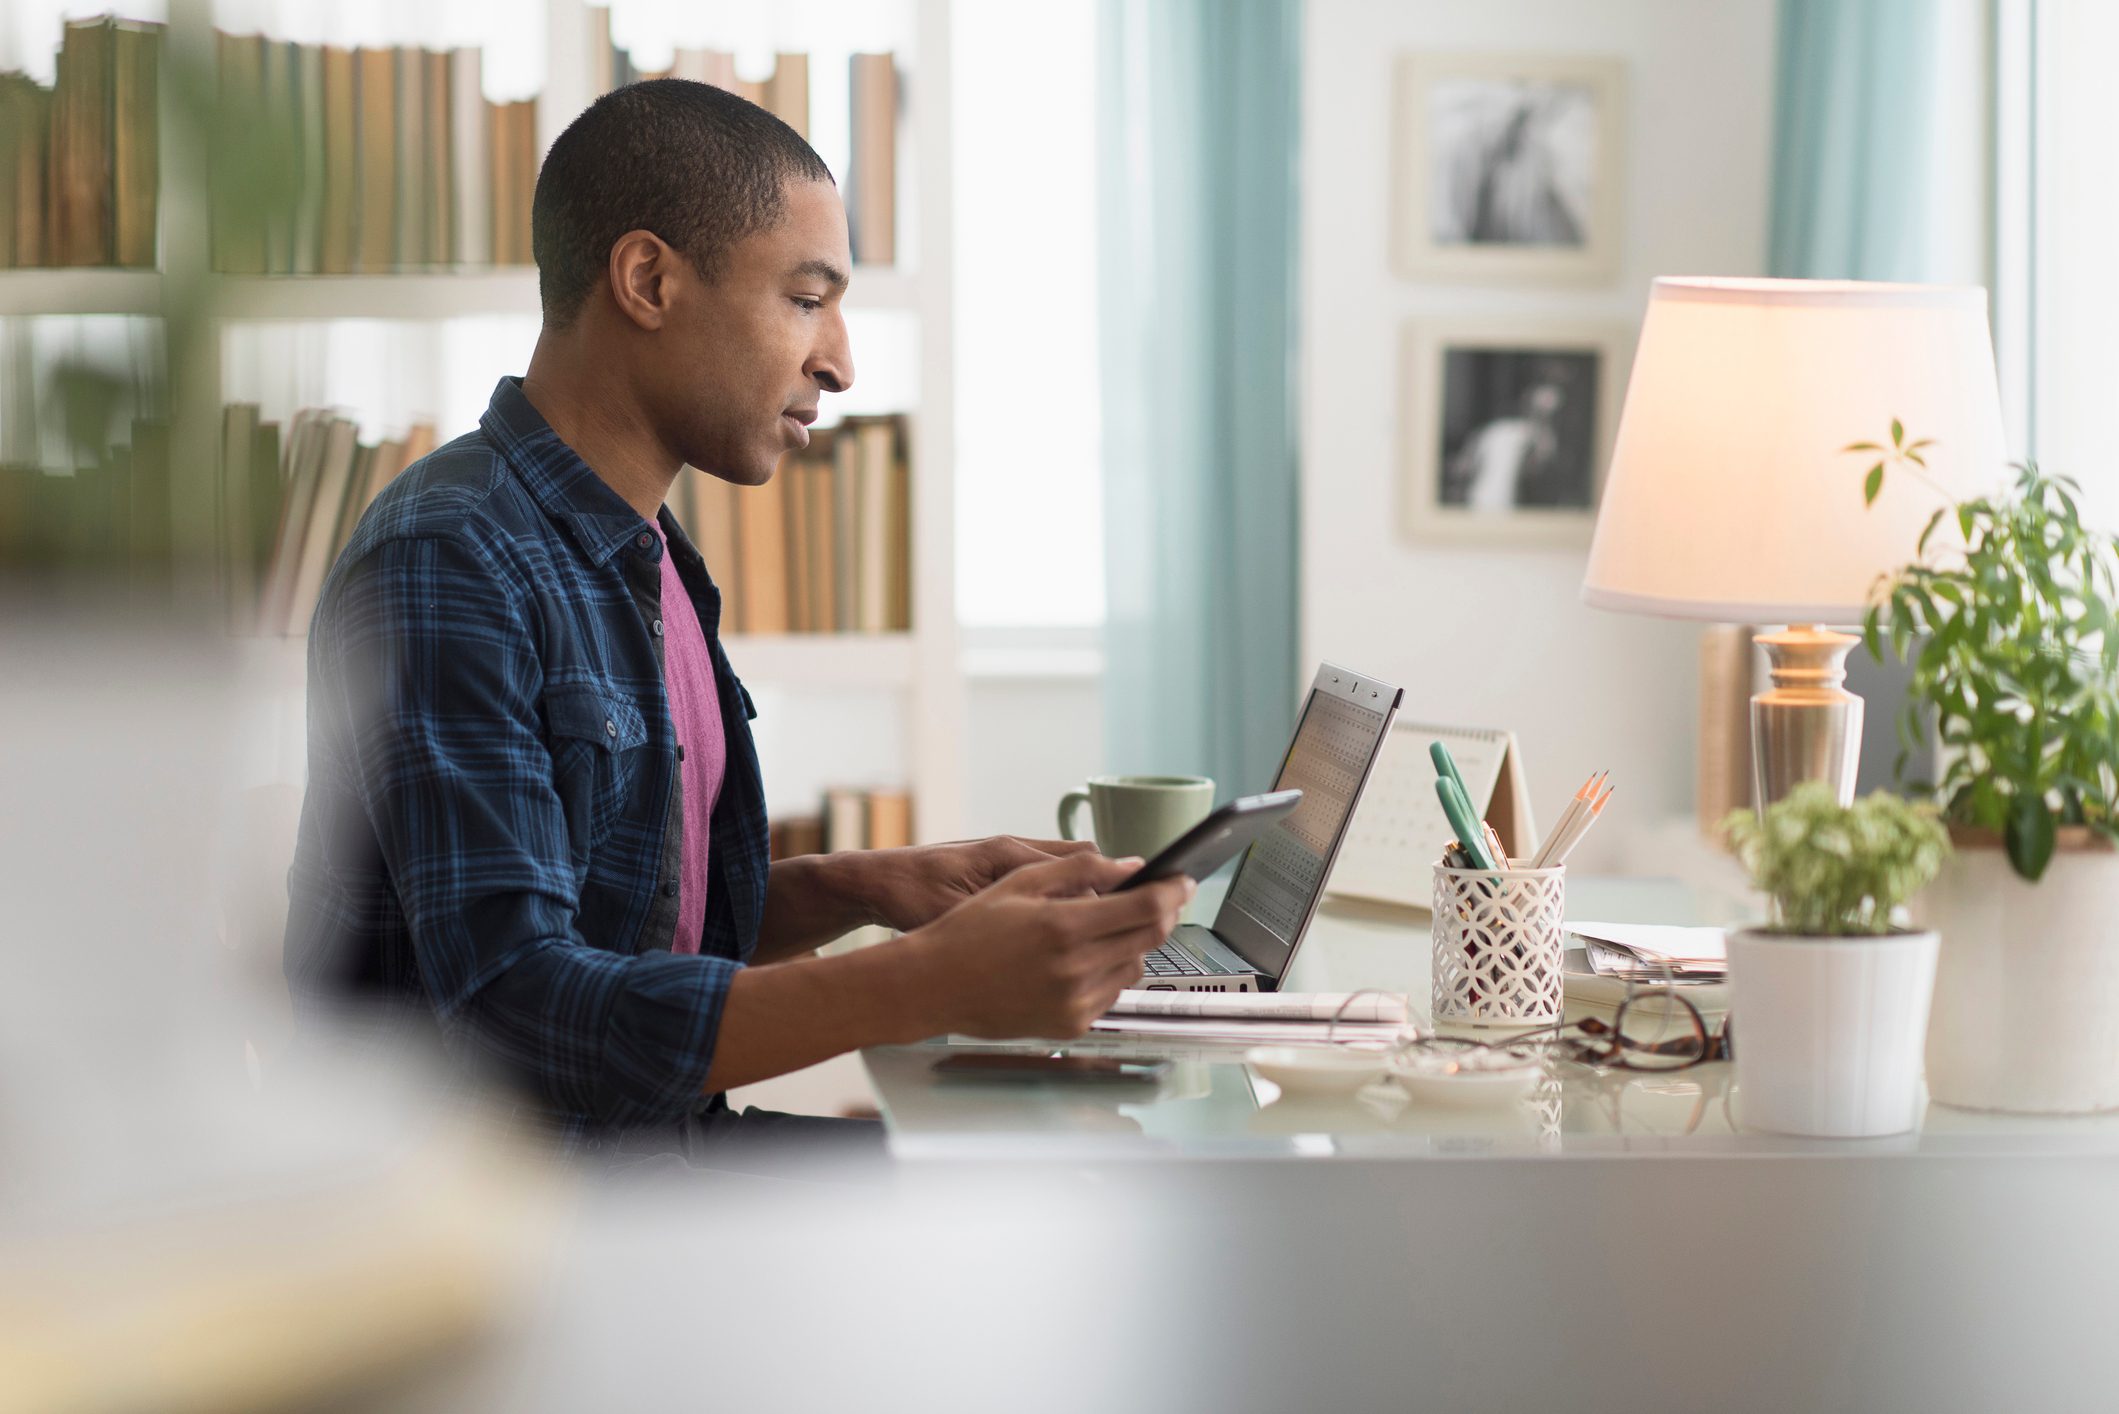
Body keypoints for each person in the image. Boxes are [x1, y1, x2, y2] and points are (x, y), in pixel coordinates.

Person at [283, 80, 1191, 1158]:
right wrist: (929, 982)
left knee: (1038, 1168)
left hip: (650, 1155)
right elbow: (514, 1011)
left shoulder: (646, 553)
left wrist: (879, 886)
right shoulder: (449, 556)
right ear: (648, 280)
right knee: (1032, 1212)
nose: (840, 363)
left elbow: (626, 923)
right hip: (508, 1224)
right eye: (807, 299)